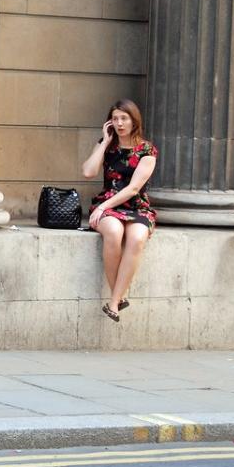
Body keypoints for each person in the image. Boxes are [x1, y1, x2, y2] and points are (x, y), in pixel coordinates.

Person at [80, 99, 158, 323]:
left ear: (134, 121)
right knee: (113, 232)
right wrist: (104, 144)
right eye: (115, 119)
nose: (119, 123)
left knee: (136, 238)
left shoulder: (147, 149)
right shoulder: (107, 144)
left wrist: (104, 207)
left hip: (135, 206)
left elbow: (134, 188)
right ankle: (117, 300)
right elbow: (88, 172)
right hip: (107, 203)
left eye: (124, 118)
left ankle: (114, 301)